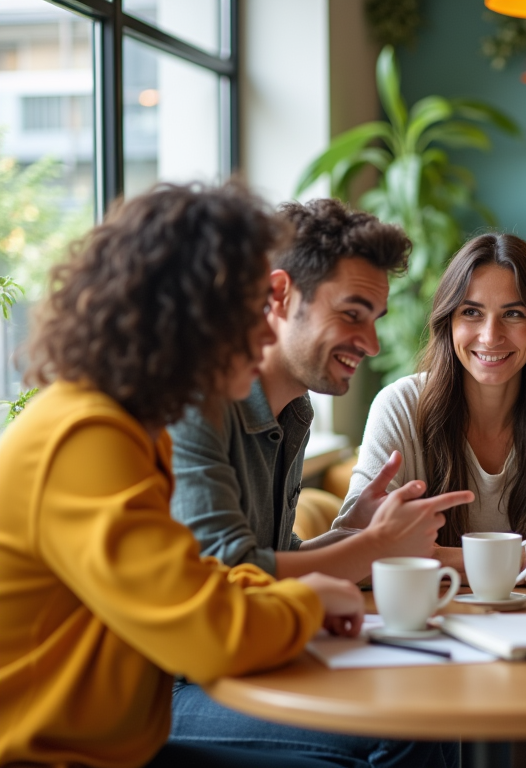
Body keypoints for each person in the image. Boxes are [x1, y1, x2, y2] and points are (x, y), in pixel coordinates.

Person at [0, 182, 367, 768]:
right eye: (253, 312)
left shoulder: (125, 426)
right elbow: (201, 634)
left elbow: (190, 578)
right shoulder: (84, 436)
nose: (270, 333)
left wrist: (302, 591)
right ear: (189, 317)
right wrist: (302, 602)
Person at [168, 198, 467, 766]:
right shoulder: (195, 402)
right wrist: (373, 548)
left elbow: (274, 562)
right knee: (409, 726)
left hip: (242, 655)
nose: (372, 344)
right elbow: (232, 577)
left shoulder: (294, 410)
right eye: (353, 313)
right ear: (279, 296)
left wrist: (350, 531)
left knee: (433, 696)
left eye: (376, 319)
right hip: (166, 685)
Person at [334, 232, 526, 587]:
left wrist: (444, 558)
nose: (490, 336)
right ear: (449, 322)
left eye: (513, 314)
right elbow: (352, 557)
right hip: (432, 620)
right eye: (471, 312)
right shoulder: (399, 407)